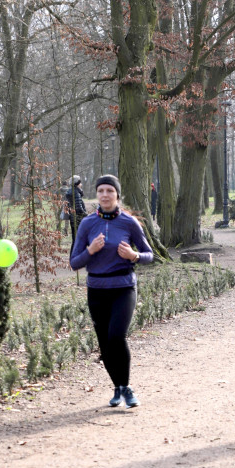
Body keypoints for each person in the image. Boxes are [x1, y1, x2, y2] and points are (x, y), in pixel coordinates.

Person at [70, 174, 153, 408]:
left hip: (123, 287)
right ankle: (117, 387)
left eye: (109, 191)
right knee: (105, 343)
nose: (105, 195)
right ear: (96, 195)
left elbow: (150, 255)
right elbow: (75, 262)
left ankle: (126, 388)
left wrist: (134, 256)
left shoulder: (128, 222)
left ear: (117, 195)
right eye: (101, 191)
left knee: (117, 336)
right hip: (96, 290)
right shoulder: (87, 224)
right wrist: (91, 250)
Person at [65, 175, 88, 248]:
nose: (81, 184)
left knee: (75, 240)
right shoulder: (76, 193)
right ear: (77, 183)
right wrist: (86, 215)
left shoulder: (70, 191)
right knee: (78, 240)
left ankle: (73, 257)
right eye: (80, 182)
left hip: (73, 218)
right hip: (77, 219)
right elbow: (78, 208)